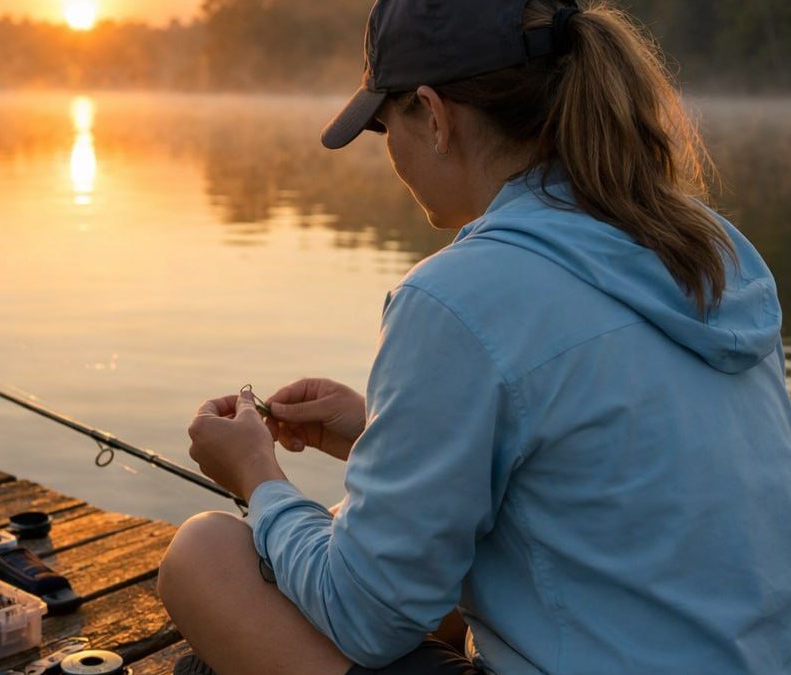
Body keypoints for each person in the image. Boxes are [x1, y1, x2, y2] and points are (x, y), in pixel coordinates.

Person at [157, 0, 791, 673]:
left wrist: (256, 475)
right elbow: (613, 472)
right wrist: (384, 434)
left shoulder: (459, 296)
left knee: (206, 556)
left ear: (433, 116)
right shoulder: (706, 247)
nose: (389, 152)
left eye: (381, 125)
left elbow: (364, 617)